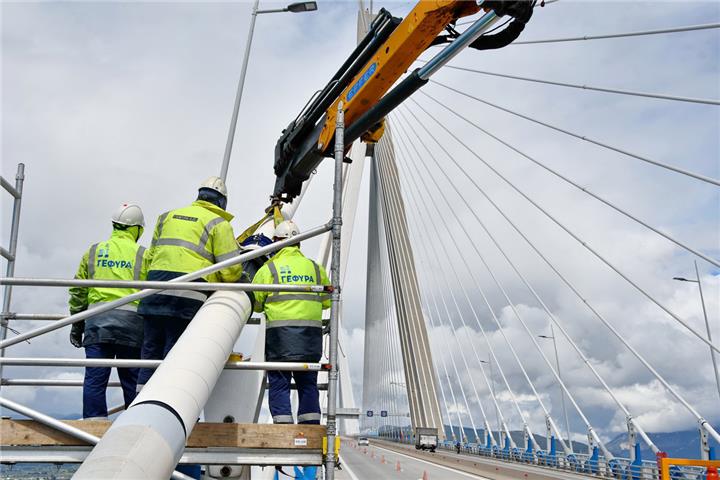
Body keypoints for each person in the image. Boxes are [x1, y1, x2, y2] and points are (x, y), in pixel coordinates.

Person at [136, 176, 242, 390]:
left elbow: (150, 257)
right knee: (177, 353)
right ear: (222, 201)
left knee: (149, 352)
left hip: (155, 291)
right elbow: (230, 271)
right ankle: (165, 405)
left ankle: (138, 403)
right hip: (188, 296)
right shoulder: (218, 224)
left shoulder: (167, 217)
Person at [68, 202, 147, 420]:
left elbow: (78, 291)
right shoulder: (143, 254)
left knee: (95, 379)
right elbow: (154, 291)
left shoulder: (93, 252)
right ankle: (134, 426)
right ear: (137, 229)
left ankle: (94, 427)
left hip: (97, 326)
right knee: (132, 381)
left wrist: (77, 324)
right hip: (132, 328)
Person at [252, 220, 330, 425]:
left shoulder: (269, 269)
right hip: (309, 340)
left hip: (280, 339)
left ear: (276, 242)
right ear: (298, 244)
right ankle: (311, 429)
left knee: (279, 384)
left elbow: (257, 304)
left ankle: (283, 430)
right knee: (308, 385)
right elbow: (327, 302)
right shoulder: (315, 268)